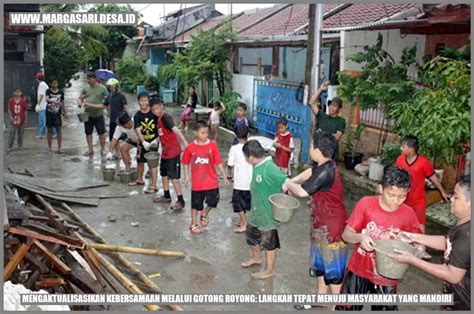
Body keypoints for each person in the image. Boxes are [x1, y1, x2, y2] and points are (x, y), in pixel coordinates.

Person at [336, 166, 422, 311]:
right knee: (346, 308)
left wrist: (418, 249)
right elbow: (346, 234)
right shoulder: (366, 204)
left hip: (388, 276)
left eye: (402, 196)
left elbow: (419, 241)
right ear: (381, 189)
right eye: (391, 195)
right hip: (359, 271)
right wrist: (360, 237)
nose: (397, 201)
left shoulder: (408, 214)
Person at [285, 133, 347, 309]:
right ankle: (321, 299)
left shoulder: (328, 170)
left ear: (318, 150)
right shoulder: (324, 165)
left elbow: (303, 192)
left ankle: (337, 306)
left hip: (332, 227)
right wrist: (293, 180)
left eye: (311, 146)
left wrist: (288, 184)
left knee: (333, 270)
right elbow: (310, 172)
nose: (310, 148)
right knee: (321, 265)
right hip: (321, 223)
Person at [390, 175, 471, 311]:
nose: (451, 199)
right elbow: (448, 243)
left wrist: (413, 260)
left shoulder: (468, 234)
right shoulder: (464, 224)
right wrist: (412, 237)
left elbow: (453, 275)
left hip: (464, 304)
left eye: (456, 197)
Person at [241, 140, 289, 280]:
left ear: (250, 156)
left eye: (245, 156)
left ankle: (270, 270)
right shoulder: (257, 165)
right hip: (256, 210)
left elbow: (285, 182)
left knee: (269, 243)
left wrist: (288, 193)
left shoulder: (270, 168)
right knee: (251, 236)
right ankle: (256, 258)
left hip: (268, 213)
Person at [182, 121, 229, 234]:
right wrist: (187, 176)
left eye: (207, 133)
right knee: (195, 205)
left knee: (213, 201)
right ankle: (193, 223)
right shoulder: (190, 147)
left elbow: (218, 161)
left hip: (211, 181)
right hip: (197, 184)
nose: (205, 135)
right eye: (202, 133)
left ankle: (205, 213)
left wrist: (224, 175)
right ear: (195, 133)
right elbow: (185, 162)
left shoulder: (212, 145)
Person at [395, 135, 449, 233]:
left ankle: (421, 247)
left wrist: (442, 192)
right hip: (402, 198)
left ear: (411, 149)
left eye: (403, 146)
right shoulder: (400, 159)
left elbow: (434, 179)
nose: (401, 148)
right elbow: (395, 176)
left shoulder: (423, 162)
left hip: (417, 200)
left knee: (420, 224)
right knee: (399, 220)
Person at [150, 97, 188, 211]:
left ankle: (181, 200)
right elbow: (163, 134)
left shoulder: (166, 117)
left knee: (174, 177)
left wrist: (185, 143)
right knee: (164, 174)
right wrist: (155, 141)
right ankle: (166, 196)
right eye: (153, 110)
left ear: (162, 106)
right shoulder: (159, 119)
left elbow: (175, 129)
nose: (156, 111)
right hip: (165, 152)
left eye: (157, 108)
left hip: (173, 152)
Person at [308, 81, 346, 159]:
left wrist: (322, 133)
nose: (331, 107)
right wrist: (321, 89)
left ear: (339, 109)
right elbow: (311, 103)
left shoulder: (341, 121)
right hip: (318, 152)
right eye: (331, 105)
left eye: (335, 106)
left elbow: (337, 137)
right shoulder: (322, 116)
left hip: (331, 154)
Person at [131, 92, 159, 194]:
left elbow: (159, 127)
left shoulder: (154, 113)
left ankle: (154, 185)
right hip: (142, 142)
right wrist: (143, 142)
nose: (144, 102)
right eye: (142, 100)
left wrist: (157, 140)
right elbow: (137, 129)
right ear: (138, 102)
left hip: (153, 142)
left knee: (153, 164)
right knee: (140, 161)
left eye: (146, 100)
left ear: (149, 101)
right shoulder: (137, 115)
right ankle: (140, 179)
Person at [227, 125, 253, 233]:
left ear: (235, 135)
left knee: (238, 204)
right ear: (248, 135)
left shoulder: (234, 148)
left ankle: (245, 223)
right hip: (250, 182)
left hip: (239, 182)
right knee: (246, 204)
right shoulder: (251, 147)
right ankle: (243, 220)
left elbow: (230, 163)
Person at [78, 72, 109, 156]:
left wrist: (109, 112)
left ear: (95, 79)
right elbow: (80, 98)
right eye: (87, 79)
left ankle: (102, 150)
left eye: (89, 79)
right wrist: (79, 103)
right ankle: (90, 150)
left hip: (99, 114)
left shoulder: (103, 89)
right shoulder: (86, 88)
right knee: (88, 132)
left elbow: (107, 102)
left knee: (101, 133)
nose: (88, 81)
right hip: (87, 114)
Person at [104, 78, 128, 159]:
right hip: (112, 120)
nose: (111, 88)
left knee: (124, 138)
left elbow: (125, 108)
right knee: (114, 138)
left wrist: (126, 119)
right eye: (110, 87)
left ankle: (126, 154)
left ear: (117, 87)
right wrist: (91, 105)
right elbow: (104, 105)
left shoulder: (121, 96)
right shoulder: (109, 95)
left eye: (113, 87)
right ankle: (117, 154)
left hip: (120, 121)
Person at [45, 78, 67, 154]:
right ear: (51, 84)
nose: (55, 85)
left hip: (57, 114)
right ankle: (49, 148)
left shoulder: (61, 92)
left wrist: (65, 112)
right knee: (49, 130)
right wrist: (57, 102)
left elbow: (63, 103)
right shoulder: (48, 91)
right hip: (49, 113)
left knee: (59, 130)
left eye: (56, 83)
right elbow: (47, 99)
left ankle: (59, 148)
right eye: (53, 83)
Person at [7, 88, 28, 152]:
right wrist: (10, 117)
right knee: (11, 133)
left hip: (21, 119)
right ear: (13, 93)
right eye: (16, 92)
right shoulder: (11, 101)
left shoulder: (23, 101)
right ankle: (9, 146)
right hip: (13, 120)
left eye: (19, 92)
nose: (17, 93)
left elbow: (25, 111)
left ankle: (20, 145)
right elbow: (9, 109)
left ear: (21, 93)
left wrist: (25, 119)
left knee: (20, 134)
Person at [35, 72, 49, 140]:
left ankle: (51, 133)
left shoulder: (42, 85)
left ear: (37, 78)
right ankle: (41, 134)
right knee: (42, 121)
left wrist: (38, 104)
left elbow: (41, 95)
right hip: (43, 106)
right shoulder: (43, 84)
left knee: (44, 121)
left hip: (43, 106)